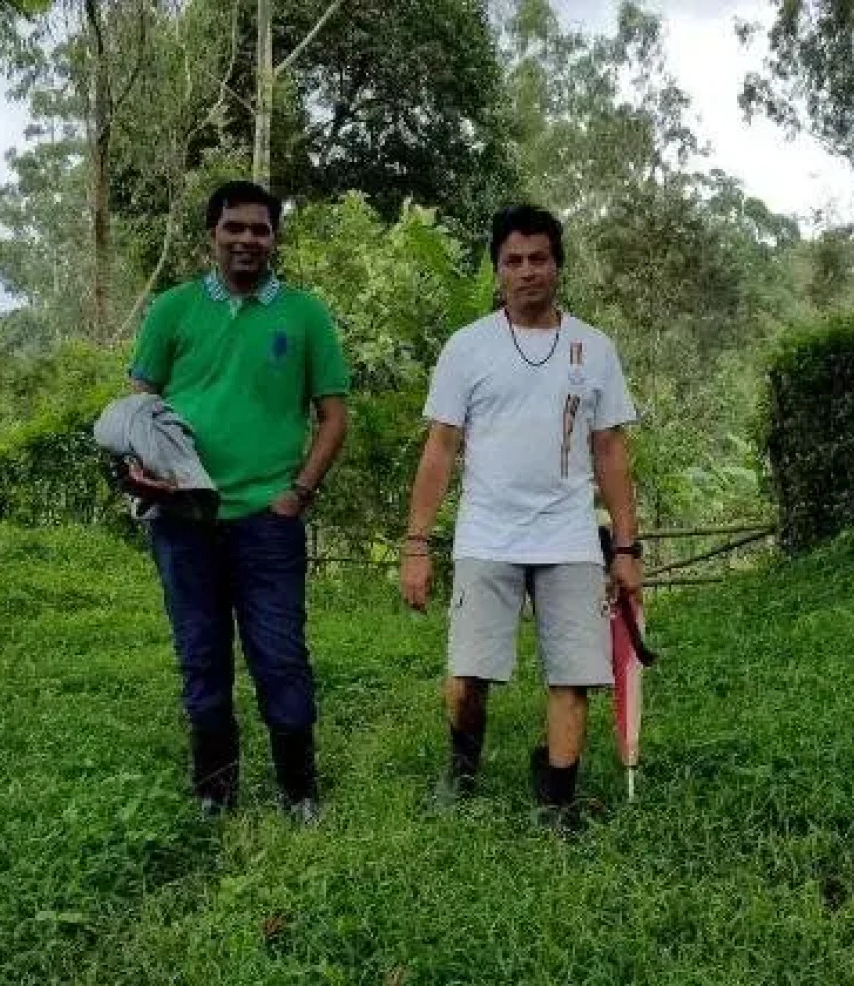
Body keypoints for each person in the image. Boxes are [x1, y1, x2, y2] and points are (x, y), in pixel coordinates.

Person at [399, 204, 642, 826]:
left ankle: (557, 801)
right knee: (467, 675)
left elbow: (612, 451)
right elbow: (440, 447)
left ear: (558, 266)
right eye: (514, 260)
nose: (527, 271)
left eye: (539, 259)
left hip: (569, 537)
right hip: (487, 533)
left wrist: (628, 550)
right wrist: (417, 544)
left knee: (573, 675)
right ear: (497, 270)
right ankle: (462, 768)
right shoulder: (467, 348)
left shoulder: (595, 348)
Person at [126, 180, 350, 823]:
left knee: (280, 654)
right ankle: (214, 791)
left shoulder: (304, 316)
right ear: (212, 234)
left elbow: (333, 417)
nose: (248, 239)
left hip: (266, 521)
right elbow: (138, 410)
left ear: (275, 238)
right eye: (235, 228)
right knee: (201, 653)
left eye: (260, 229)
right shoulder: (172, 310)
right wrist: (142, 470)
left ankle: (299, 791)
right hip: (183, 519)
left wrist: (298, 493)